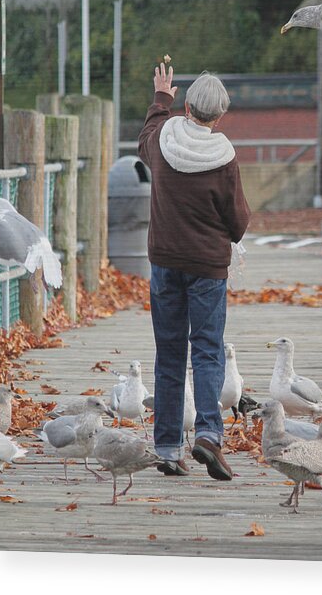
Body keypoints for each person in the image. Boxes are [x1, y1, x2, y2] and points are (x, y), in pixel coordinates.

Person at [138, 63, 251, 481]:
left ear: (187, 107)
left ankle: (167, 448)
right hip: (207, 268)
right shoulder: (224, 156)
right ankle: (208, 433)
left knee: (169, 355)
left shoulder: (162, 141)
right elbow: (238, 223)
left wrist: (160, 98)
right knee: (207, 351)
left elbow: (145, 136)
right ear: (220, 115)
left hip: (164, 263)